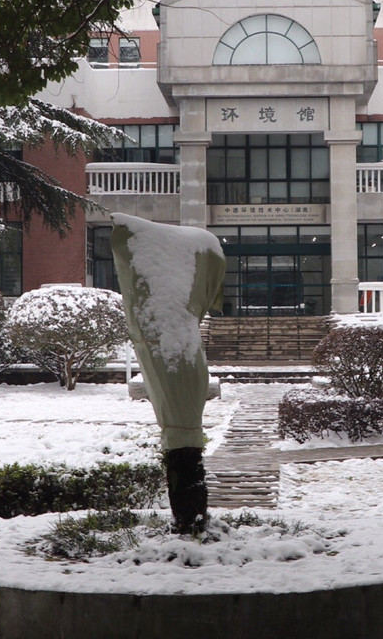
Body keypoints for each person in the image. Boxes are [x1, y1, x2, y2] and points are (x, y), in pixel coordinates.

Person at [109, 213, 225, 534]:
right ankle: (190, 518)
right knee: (185, 453)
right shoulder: (172, 326)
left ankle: (189, 519)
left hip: (179, 381)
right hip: (179, 370)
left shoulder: (164, 327)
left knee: (184, 455)